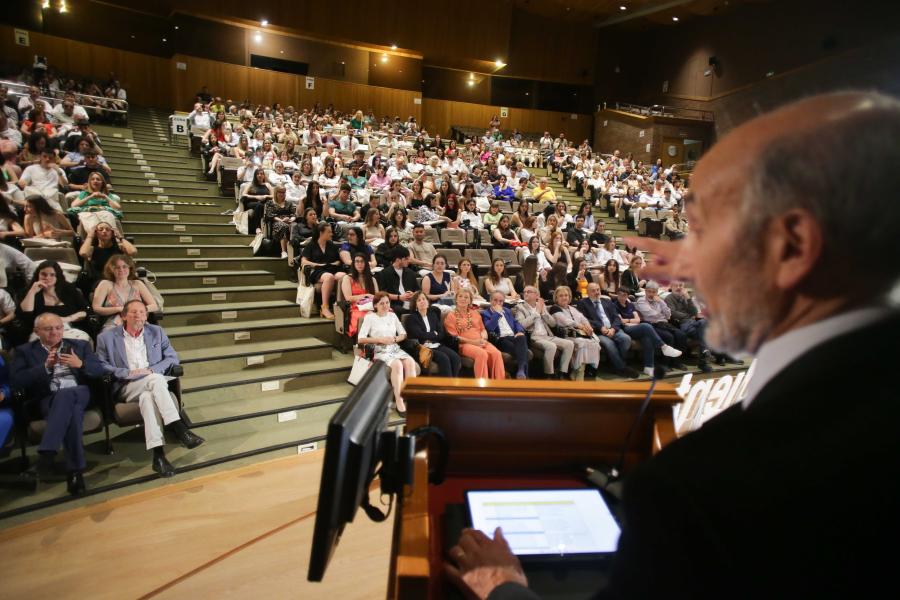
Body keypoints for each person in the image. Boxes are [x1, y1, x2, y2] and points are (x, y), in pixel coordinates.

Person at [448, 90, 900, 600]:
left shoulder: (708, 487)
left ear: (792, 244)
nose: (679, 265)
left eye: (703, 233)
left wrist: (502, 586)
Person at [97, 300, 204, 477]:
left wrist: (152, 370)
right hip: (127, 386)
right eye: (133, 312)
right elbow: (101, 365)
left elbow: (172, 358)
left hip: (152, 383)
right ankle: (179, 427)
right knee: (155, 380)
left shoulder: (156, 332)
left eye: (142, 312)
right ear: (123, 316)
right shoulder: (106, 337)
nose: (138, 315)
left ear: (146, 316)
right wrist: (128, 372)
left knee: (148, 397)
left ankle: (159, 456)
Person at [11, 313, 106, 495]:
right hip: (48, 398)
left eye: (58, 328)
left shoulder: (80, 346)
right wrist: (45, 367)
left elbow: (99, 370)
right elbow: (16, 381)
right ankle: (75, 472)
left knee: (69, 394)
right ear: (37, 331)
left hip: (81, 393)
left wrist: (81, 365)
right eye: (48, 329)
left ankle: (47, 454)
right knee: (71, 410)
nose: (54, 332)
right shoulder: (24, 351)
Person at [356, 292, 418, 414]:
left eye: (387, 302)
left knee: (410, 362)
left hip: (394, 348)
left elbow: (403, 334)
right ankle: (399, 402)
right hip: (379, 349)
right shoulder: (370, 317)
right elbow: (360, 339)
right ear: (375, 305)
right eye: (382, 303)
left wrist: (394, 339)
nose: (385, 305)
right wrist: (379, 339)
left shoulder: (392, 316)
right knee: (397, 365)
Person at [574, 282, 641, 378]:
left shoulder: (607, 302)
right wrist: (600, 327)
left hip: (613, 329)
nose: (597, 292)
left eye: (598, 290)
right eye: (593, 291)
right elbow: (585, 319)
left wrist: (613, 329)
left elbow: (616, 318)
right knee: (609, 344)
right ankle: (621, 368)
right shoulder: (583, 303)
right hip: (598, 332)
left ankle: (615, 365)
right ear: (588, 292)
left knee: (626, 339)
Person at [19, 261, 90, 341]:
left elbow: (84, 311)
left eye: (52, 275)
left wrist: (66, 319)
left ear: (58, 276)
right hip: (41, 332)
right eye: (43, 274)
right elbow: (25, 313)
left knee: (81, 340)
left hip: (68, 329)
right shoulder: (28, 291)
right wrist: (32, 291)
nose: (47, 278)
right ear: (37, 275)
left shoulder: (69, 289)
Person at [444, 288, 505, 379]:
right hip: (464, 344)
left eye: (466, 297)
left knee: (497, 353)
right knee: (482, 354)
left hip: (481, 341)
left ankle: (498, 384)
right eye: (460, 296)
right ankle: (482, 386)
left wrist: (484, 338)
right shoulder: (450, 315)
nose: (463, 299)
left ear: (470, 301)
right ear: (456, 299)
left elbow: (483, 329)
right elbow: (455, 337)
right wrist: (474, 342)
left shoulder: (475, 313)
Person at [515, 285, 574, 379]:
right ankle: (549, 375)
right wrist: (536, 313)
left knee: (569, 344)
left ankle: (563, 373)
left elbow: (553, 324)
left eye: (529, 292)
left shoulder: (543, 306)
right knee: (551, 346)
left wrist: (543, 312)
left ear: (536, 295)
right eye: (524, 292)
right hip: (534, 337)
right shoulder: (520, 308)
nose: (525, 293)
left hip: (547, 336)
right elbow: (522, 325)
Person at [91, 254, 159, 330]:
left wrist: (137, 311)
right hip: (114, 325)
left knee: (156, 334)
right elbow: (96, 308)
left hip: (138, 322)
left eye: (124, 266)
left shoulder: (138, 284)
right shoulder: (105, 284)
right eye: (117, 267)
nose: (121, 270)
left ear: (130, 268)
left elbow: (154, 306)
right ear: (111, 269)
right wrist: (118, 309)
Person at [404, 291, 462, 377]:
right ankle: (446, 388)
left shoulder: (433, 316)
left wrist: (431, 335)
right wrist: (434, 334)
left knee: (455, 358)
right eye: (419, 300)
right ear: (415, 305)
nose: (422, 301)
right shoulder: (411, 318)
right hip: (423, 348)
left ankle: (453, 385)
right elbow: (419, 335)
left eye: (424, 299)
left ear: (427, 302)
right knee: (444, 358)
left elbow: (441, 333)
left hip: (437, 345)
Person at [548, 285, 600, 380]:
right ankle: (578, 371)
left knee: (594, 342)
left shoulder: (572, 308)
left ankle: (581, 371)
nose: (564, 297)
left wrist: (588, 326)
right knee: (582, 343)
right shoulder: (554, 308)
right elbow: (565, 321)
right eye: (561, 296)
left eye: (566, 295)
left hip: (579, 334)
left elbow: (583, 318)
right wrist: (580, 326)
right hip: (566, 335)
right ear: (556, 298)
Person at [635, 281, 689, 369]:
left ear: (657, 292)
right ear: (645, 291)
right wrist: (662, 314)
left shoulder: (659, 301)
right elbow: (650, 314)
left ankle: (676, 362)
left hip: (664, 324)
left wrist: (661, 302)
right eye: (649, 291)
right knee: (669, 337)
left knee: (681, 335)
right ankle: (665, 364)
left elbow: (668, 314)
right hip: (652, 325)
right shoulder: (641, 300)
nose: (651, 294)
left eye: (654, 292)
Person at [665, 280, 713, 372]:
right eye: (676, 285)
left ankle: (704, 354)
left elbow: (694, 312)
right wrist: (688, 315)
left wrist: (688, 298)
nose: (679, 287)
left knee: (704, 324)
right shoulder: (669, 298)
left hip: (693, 323)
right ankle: (703, 360)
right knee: (704, 330)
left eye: (681, 285)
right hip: (682, 324)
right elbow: (673, 313)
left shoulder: (685, 298)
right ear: (671, 287)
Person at [300, 223, 345, 320]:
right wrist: (317, 265)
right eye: (329, 232)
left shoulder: (331, 245)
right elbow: (303, 261)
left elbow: (337, 261)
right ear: (321, 233)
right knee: (329, 277)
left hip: (331, 268)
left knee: (343, 276)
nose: (331, 234)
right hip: (317, 271)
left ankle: (339, 306)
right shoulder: (312, 245)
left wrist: (333, 264)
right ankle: (324, 307)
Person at [481, 291, 529, 379]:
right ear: (490, 300)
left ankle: (520, 371)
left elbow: (516, 323)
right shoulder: (485, 313)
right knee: (524, 351)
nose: (498, 303)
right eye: (495, 300)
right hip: (500, 339)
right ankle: (523, 372)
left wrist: (520, 331)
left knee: (522, 337)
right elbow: (489, 328)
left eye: (501, 301)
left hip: (513, 336)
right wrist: (497, 313)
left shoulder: (507, 311)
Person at [341, 253, 378, 338]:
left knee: (388, 312)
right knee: (368, 316)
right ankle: (363, 345)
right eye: (357, 261)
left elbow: (377, 297)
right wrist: (366, 295)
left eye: (362, 262)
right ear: (353, 264)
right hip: (356, 307)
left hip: (371, 305)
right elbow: (348, 298)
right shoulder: (347, 278)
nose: (359, 264)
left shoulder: (372, 279)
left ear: (366, 263)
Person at [378, 246, 419, 315]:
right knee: (399, 310)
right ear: (398, 260)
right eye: (406, 259)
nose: (408, 261)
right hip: (395, 303)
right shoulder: (384, 273)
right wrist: (399, 297)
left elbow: (418, 290)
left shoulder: (410, 273)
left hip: (411, 302)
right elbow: (382, 294)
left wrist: (413, 295)